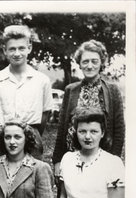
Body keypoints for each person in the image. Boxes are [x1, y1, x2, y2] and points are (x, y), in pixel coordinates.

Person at [31, 108, 124, 198]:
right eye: (82, 131)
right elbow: (63, 196)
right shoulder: (68, 158)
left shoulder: (112, 162)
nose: (88, 137)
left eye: (94, 131)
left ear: (103, 133)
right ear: (76, 132)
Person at [52, 39, 125, 183]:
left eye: (94, 61)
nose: (89, 66)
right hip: (72, 156)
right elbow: (62, 128)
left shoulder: (112, 90)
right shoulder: (71, 90)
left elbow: (119, 129)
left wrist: (114, 160)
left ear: (101, 63)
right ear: (79, 63)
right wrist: (57, 160)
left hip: (101, 157)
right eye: (85, 62)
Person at [0, 25, 53, 159]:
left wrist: (31, 132)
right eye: (12, 49)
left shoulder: (41, 80)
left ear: (29, 48)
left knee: (31, 175)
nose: (17, 53)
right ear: (5, 50)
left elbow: (45, 113)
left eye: (21, 48)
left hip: (31, 136)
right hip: (0, 138)